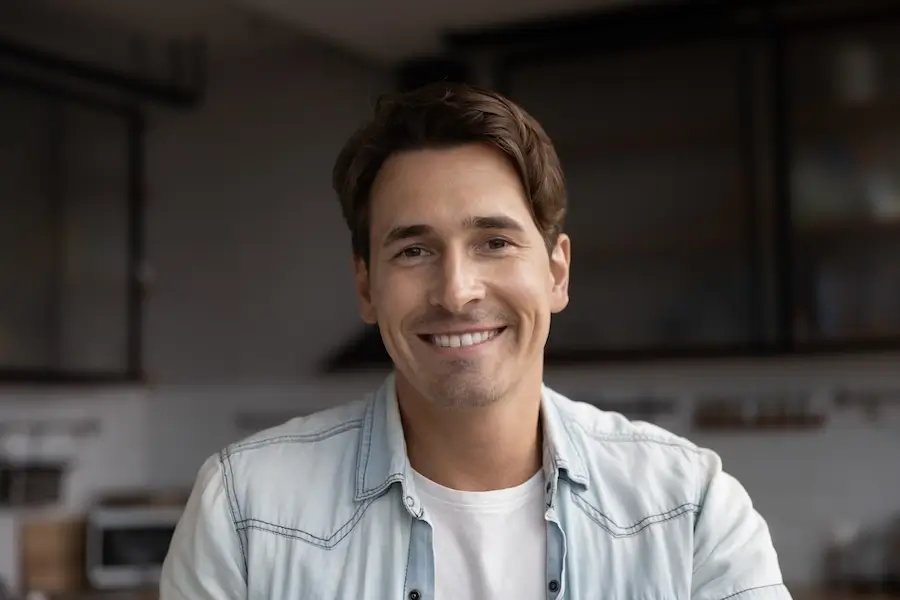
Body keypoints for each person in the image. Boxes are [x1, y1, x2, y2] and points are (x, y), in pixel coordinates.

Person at [159, 82, 792, 600]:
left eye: (494, 241)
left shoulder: (688, 509)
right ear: (366, 287)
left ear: (556, 272)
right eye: (413, 249)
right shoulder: (244, 512)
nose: (456, 291)